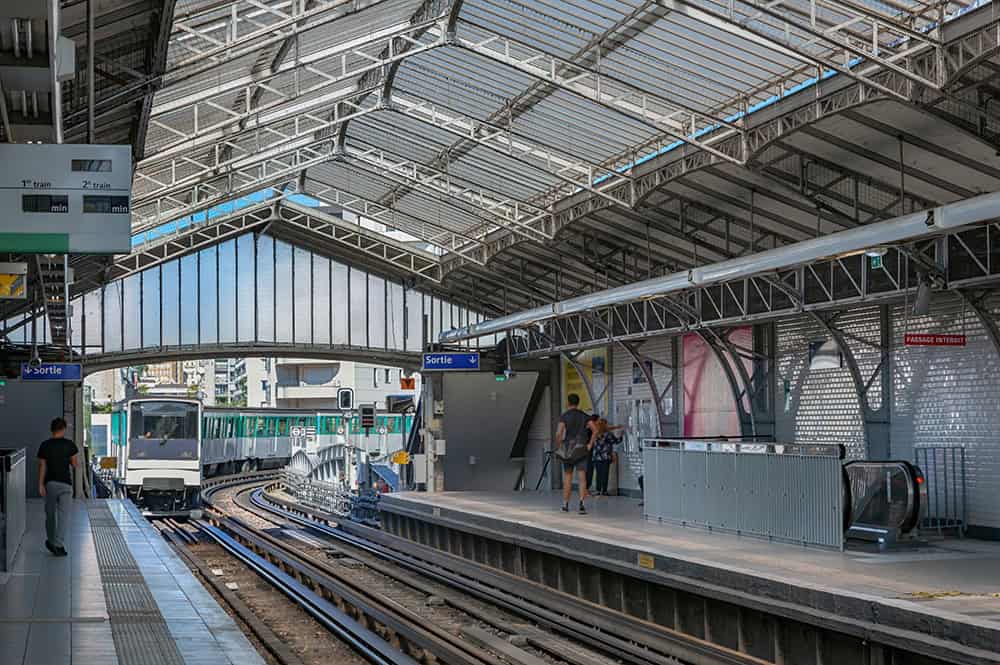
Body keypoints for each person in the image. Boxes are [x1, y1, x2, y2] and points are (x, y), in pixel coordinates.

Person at [37, 417, 78, 557]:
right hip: (66, 484)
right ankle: (58, 545)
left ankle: (50, 540)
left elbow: (42, 466)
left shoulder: (45, 445)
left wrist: (40, 484)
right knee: (64, 516)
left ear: (52, 429)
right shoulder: (70, 445)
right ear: (63, 429)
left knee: (50, 514)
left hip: (50, 484)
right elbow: (74, 464)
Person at [555, 394, 597, 514]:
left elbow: (558, 433)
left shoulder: (564, 416)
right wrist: (589, 444)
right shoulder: (584, 416)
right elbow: (595, 430)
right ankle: (582, 504)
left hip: (568, 448)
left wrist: (559, 446)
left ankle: (565, 504)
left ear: (568, 403)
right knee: (582, 478)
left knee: (568, 477)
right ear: (578, 403)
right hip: (581, 448)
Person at [590, 418, 624, 496]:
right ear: (605, 425)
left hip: (596, 457)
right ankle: (604, 490)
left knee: (599, 474)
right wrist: (621, 435)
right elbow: (616, 441)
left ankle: (598, 490)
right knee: (605, 474)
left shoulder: (595, 433)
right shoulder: (608, 434)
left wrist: (615, 427)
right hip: (605, 457)